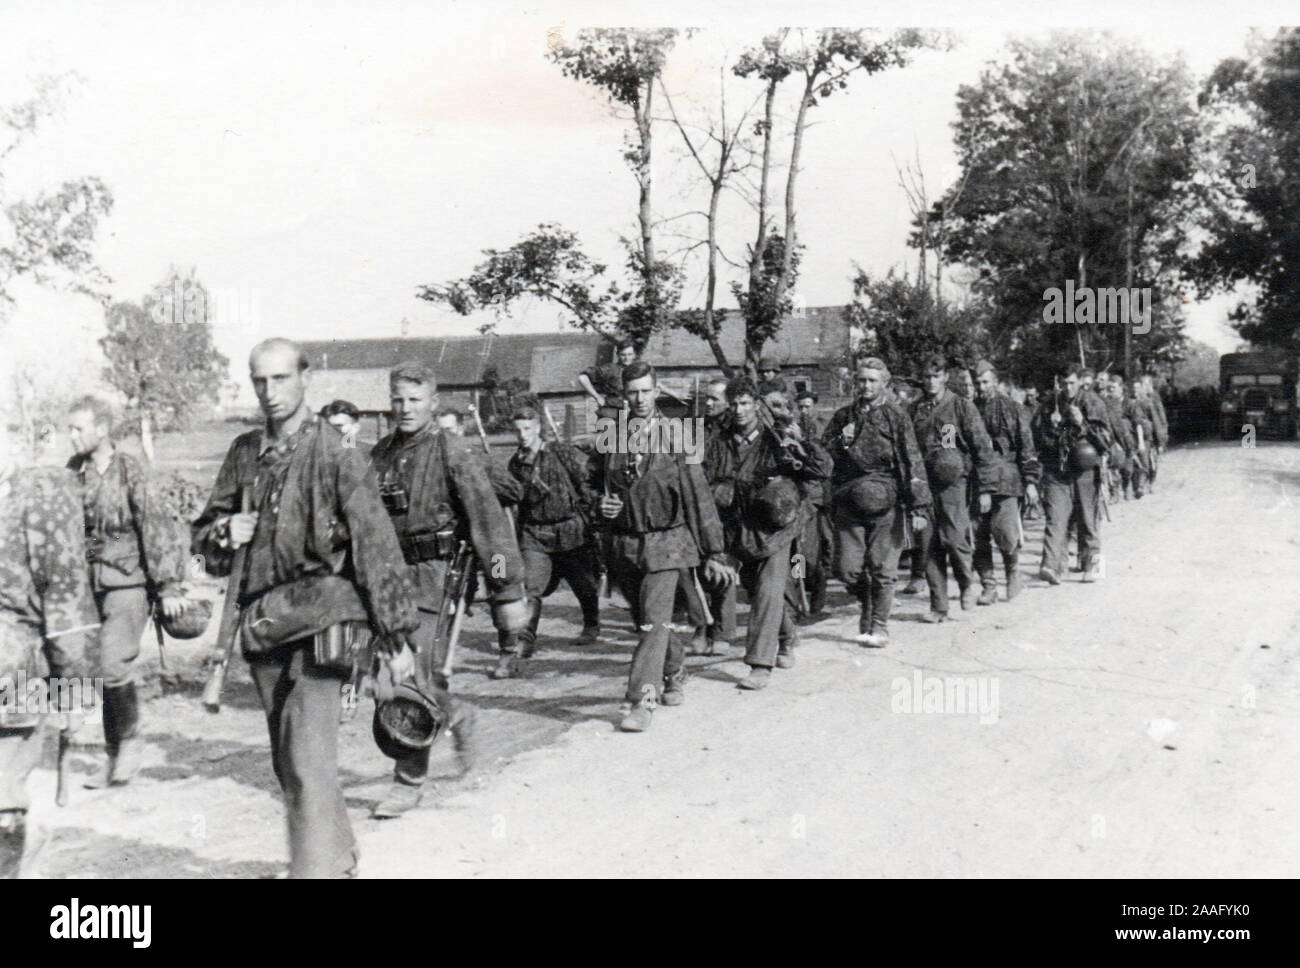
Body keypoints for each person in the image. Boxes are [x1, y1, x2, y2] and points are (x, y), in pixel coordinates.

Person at [192, 339, 423, 875]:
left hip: (330, 619)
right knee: (288, 760)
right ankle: (337, 856)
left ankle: (313, 870)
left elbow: (375, 544)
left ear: (305, 379)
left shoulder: (337, 454)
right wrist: (227, 531)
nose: (270, 392)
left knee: (306, 752)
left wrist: (395, 639)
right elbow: (204, 540)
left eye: (281, 379)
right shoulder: (244, 454)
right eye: (260, 381)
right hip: (265, 624)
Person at [367, 362, 528, 816]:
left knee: (411, 682)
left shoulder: (453, 452)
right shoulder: (378, 455)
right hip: (387, 581)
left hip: (436, 580)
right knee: (384, 681)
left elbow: (490, 525)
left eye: (415, 400)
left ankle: (408, 782)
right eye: (398, 399)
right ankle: (456, 715)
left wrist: (508, 592)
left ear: (433, 404)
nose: (405, 408)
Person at [589, 362, 735, 732]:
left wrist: (714, 551)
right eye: (632, 392)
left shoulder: (676, 435)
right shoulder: (612, 435)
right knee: (649, 622)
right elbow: (592, 485)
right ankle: (674, 669)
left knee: (653, 621)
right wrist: (599, 505)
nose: (638, 399)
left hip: (668, 543)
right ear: (624, 395)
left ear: (657, 392)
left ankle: (641, 700)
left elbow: (699, 497)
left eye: (645, 391)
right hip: (626, 545)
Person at [66, 396, 186, 788]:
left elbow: (155, 524)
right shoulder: (73, 472)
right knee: (99, 671)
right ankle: (113, 753)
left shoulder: (129, 468)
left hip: (128, 582)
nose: (72, 436)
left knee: (113, 663)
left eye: (78, 428)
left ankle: (130, 743)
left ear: (101, 429)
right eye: (69, 428)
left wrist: (168, 584)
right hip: (88, 585)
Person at [0, 420, 100, 877]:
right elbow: (66, 615)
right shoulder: (44, 503)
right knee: (4, 792)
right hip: (13, 662)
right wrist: (76, 697)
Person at [705, 379, 830, 689]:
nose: (739, 410)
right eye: (734, 404)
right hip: (740, 529)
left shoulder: (774, 437)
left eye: (746, 403)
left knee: (768, 590)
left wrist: (801, 444)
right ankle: (787, 636)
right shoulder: (718, 440)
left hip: (776, 527)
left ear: (756, 405)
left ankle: (761, 663)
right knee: (754, 588)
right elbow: (705, 476)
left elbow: (819, 469)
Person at [822, 358, 930, 647]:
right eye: (861, 380)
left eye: (872, 380)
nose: (866, 385)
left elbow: (912, 459)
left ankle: (879, 625)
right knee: (845, 569)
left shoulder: (896, 416)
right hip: (850, 501)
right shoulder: (844, 416)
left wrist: (919, 506)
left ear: (885, 383)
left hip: (887, 502)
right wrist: (840, 442)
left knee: (883, 570)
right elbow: (822, 455)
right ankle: (866, 598)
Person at [490, 404, 601, 672]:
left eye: (527, 429)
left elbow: (587, 482)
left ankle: (591, 623)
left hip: (570, 531)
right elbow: (516, 500)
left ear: (538, 428)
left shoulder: (561, 453)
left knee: (583, 585)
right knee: (531, 588)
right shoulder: (515, 463)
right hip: (536, 533)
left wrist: (593, 517)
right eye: (517, 430)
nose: (522, 435)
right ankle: (525, 640)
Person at [910, 357, 997, 622]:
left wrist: (985, 488)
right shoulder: (915, 409)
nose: (931, 382)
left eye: (936, 376)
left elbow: (983, 448)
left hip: (955, 484)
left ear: (945, 377)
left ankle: (966, 583)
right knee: (927, 544)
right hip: (925, 485)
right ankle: (938, 606)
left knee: (954, 538)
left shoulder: (961, 407)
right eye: (926, 377)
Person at [1032, 365, 1113, 585]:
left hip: (1085, 470)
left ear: (1080, 382)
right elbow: (1036, 436)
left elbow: (1106, 440)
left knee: (1088, 520)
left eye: (1072, 383)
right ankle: (1051, 566)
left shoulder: (1093, 402)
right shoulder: (1050, 404)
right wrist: (1051, 426)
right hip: (1058, 471)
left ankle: (1093, 567)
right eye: (1064, 383)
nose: (1068, 388)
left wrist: (1082, 424)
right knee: (1055, 519)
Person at [970, 362, 1040, 604]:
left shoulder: (1013, 409)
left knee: (1005, 532)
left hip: (1007, 480)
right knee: (978, 535)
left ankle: (1012, 572)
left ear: (996, 383)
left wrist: (1031, 481)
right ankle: (988, 585)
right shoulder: (968, 409)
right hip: (977, 481)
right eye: (978, 383)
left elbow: (1027, 446)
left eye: (986, 382)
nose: (982, 387)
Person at [577, 341, 638, 422]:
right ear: (618, 354)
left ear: (634, 355)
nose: (626, 358)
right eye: (623, 355)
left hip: (633, 411)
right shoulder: (609, 369)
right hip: (612, 411)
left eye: (629, 354)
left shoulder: (638, 370)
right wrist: (597, 397)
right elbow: (582, 377)